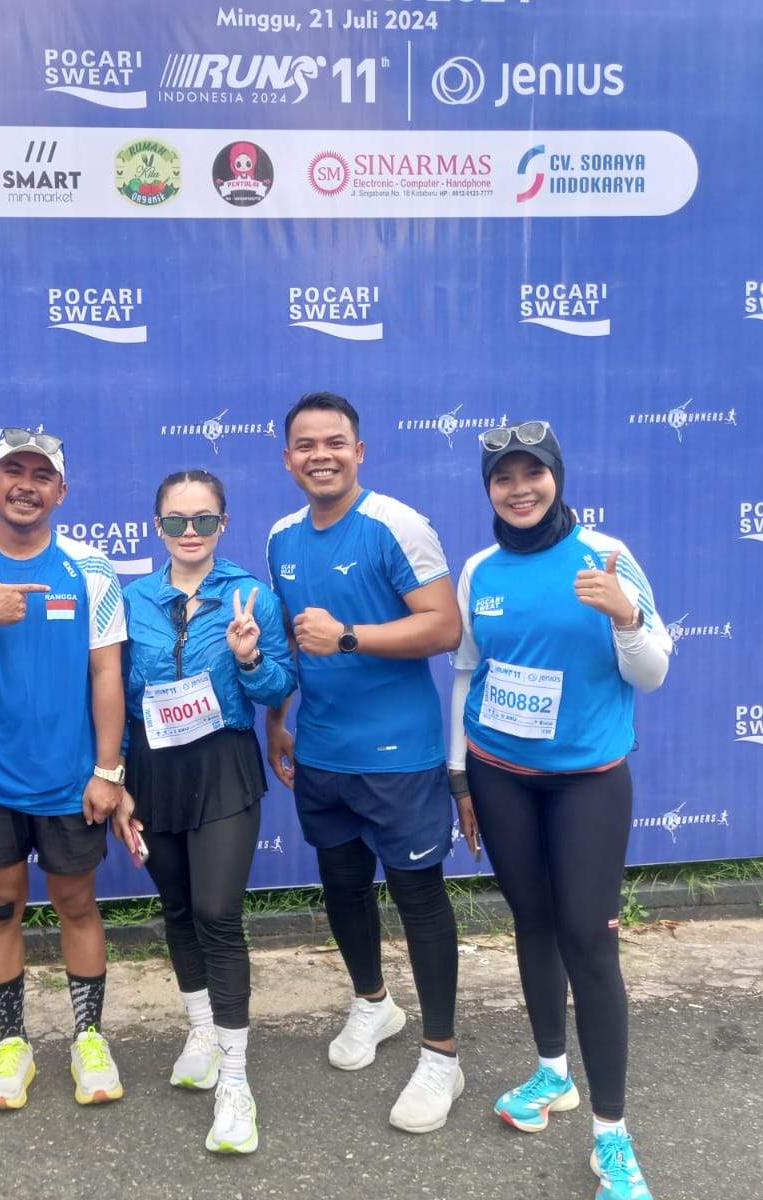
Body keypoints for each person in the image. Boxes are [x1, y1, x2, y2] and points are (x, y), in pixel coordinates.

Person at [447, 421, 670, 1200]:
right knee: (531, 922)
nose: (519, 489)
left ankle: (612, 1137)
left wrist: (626, 616)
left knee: (588, 941)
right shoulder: (478, 569)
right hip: (499, 772)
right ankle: (550, 1074)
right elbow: (469, 672)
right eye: (502, 478)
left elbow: (654, 674)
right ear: (489, 490)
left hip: (587, 781)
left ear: (556, 477)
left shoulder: (606, 557)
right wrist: (459, 777)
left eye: (531, 474)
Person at [264, 391, 467, 1133]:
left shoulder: (397, 524)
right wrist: (278, 720)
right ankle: (373, 1005)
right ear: (287, 458)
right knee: (343, 888)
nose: (321, 454)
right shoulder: (282, 536)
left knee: (418, 901)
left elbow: (444, 627)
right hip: (320, 750)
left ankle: (442, 1055)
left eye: (336, 442)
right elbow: (292, 642)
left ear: (360, 451)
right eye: (306, 444)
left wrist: (349, 636)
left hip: (399, 757)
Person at [0, 428, 129, 1110]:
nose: (26, 484)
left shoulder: (91, 568)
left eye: (42, 474)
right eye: (13, 470)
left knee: (76, 903)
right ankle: (12, 1045)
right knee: (0, 908)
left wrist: (108, 771)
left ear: (61, 491)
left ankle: (88, 1037)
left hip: (72, 781)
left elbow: (106, 672)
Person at [112, 468, 296, 1154]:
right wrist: (118, 777)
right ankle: (201, 1029)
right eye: (176, 521)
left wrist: (249, 660)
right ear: (156, 527)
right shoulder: (130, 600)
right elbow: (115, 696)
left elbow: (282, 682)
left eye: (204, 520)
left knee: (219, 913)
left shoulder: (250, 594)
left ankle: (237, 1082)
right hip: (153, 768)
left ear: (223, 524)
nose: (190, 533)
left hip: (224, 763)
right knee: (180, 908)